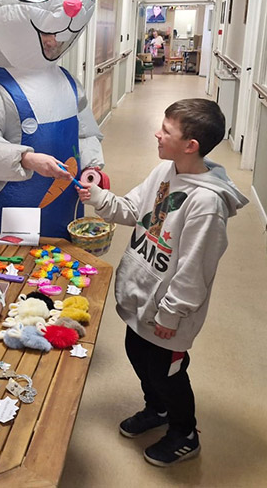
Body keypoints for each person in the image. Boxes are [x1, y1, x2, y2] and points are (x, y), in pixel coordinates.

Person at [76, 98, 248, 467]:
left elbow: (194, 270)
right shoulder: (165, 173)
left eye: (166, 130)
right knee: (138, 356)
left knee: (168, 374)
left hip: (168, 313)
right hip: (142, 300)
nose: (157, 133)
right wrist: (98, 197)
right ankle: (157, 410)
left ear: (191, 145)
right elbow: (134, 210)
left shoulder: (205, 203)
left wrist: (170, 316)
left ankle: (184, 432)